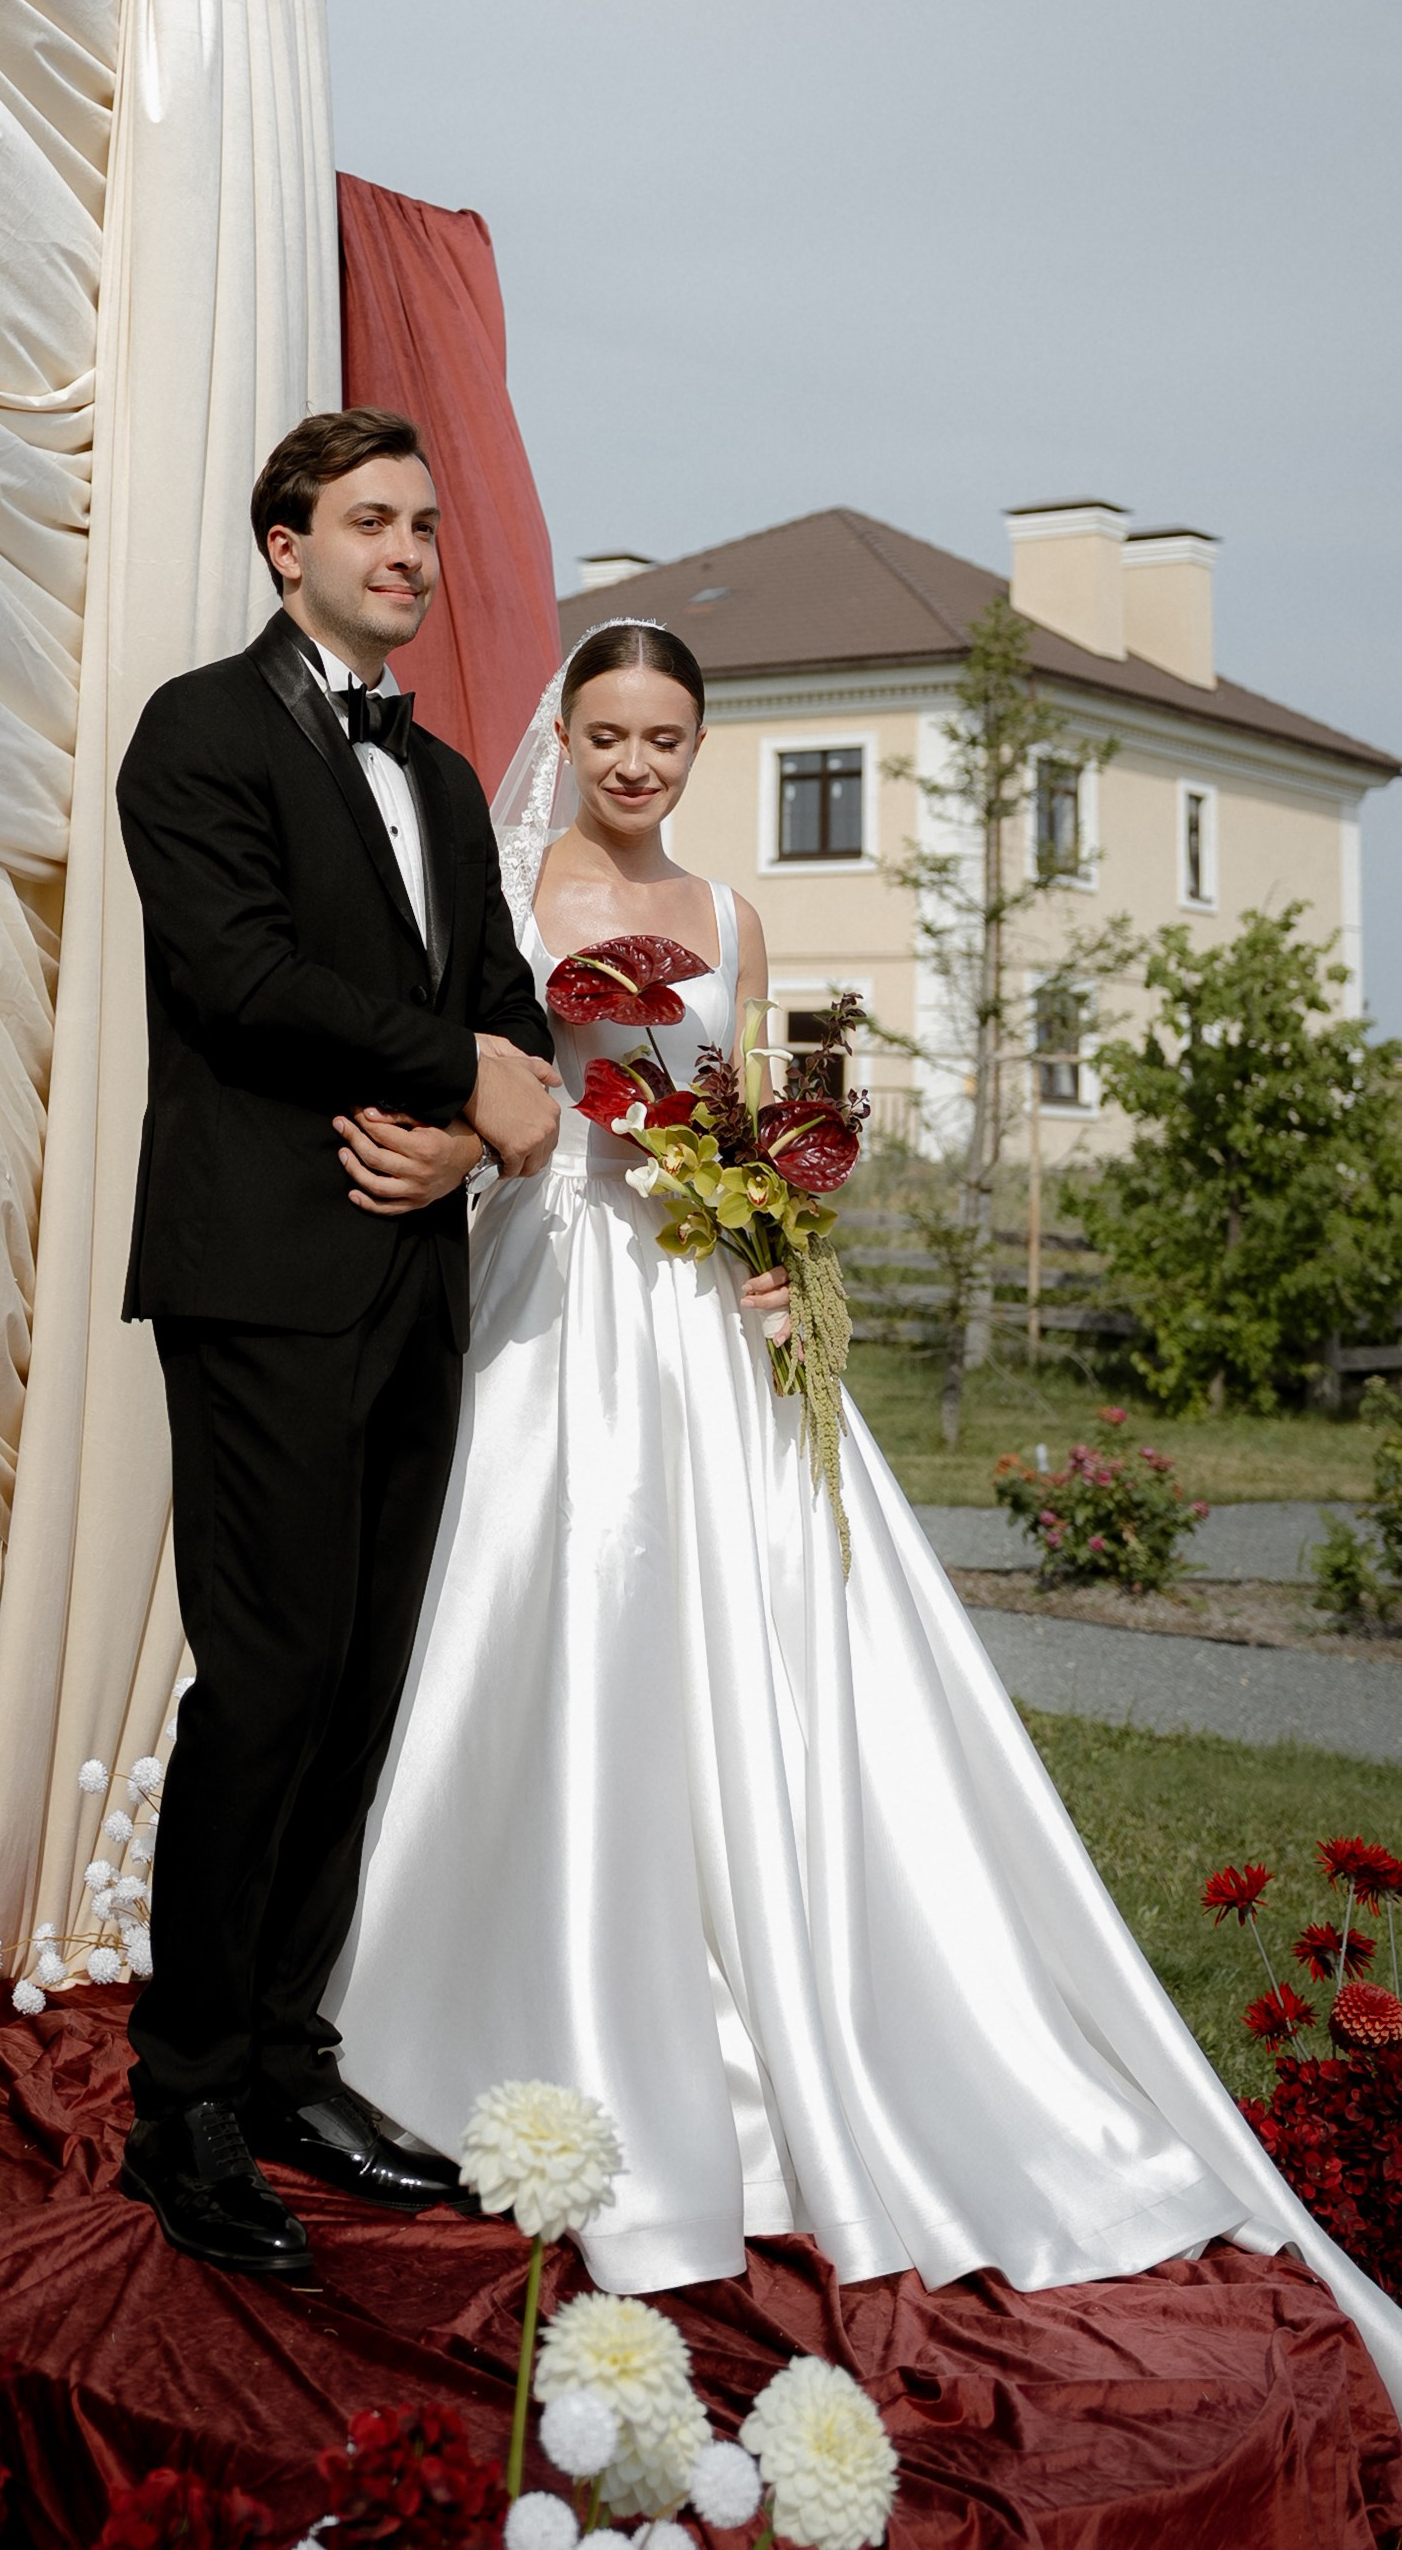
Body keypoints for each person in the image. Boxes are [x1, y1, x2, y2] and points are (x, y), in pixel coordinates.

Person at [332, 617, 1402, 2406]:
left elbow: (752, 1101)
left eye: (665, 736)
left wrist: (769, 1227)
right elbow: (488, 1081)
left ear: (698, 741)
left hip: (702, 1307)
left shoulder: (736, 917)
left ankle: (782, 1960)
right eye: (606, 733)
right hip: (558, 1287)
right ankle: (480, 1974)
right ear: (565, 735)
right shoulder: (502, 890)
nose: (635, 765)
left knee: (752, 1623)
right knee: (544, 1599)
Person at [110, 408, 560, 2275]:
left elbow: (509, 1012)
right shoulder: (196, 731)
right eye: (371, 519)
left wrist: (470, 1121)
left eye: (426, 524)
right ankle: (183, 2100)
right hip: (261, 1276)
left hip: (414, 1284)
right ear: (282, 542)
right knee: (267, 1682)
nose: (412, 548)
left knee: (360, 1684)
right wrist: (453, 1069)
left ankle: (292, 2057)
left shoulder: (448, 779)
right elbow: (234, 974)